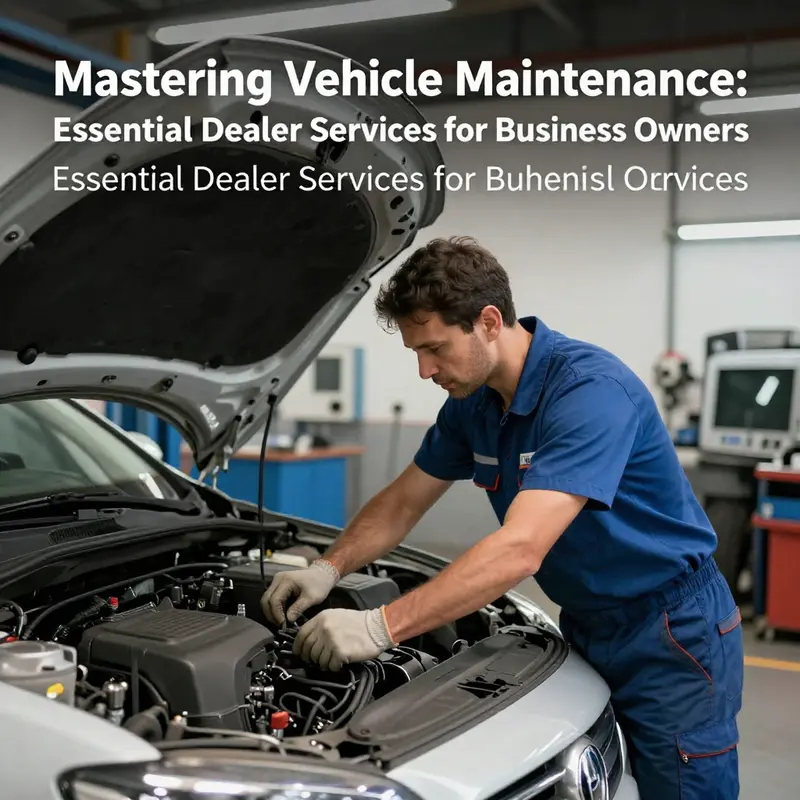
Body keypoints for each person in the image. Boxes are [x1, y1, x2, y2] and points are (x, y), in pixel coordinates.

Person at [261, 236, 743, 799]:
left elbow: (521, 548)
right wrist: (329, 567)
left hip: (670, 632)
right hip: (587, 620)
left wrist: (380, 627)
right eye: (416, 352)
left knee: (683, 787)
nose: (424, 370)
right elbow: (402, 501)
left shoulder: (589, 392)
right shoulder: (474, 402)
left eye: (435, 349)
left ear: (489, 321)